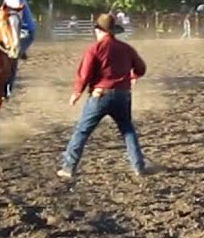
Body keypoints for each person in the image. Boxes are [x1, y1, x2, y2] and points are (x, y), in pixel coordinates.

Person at [57, 13, 152, 179]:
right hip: (123, 95)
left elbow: (84, 74)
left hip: (100, 95)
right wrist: (133, 76)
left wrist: (77, 93)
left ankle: (68, 167)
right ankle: (138, 166)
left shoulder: (94, 49)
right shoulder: (126, 48)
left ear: (98, 30)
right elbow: (141, 68)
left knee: (82, 131)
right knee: (127, 130)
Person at [0, 0, 36, 98]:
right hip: (11, 32)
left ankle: (8, 87)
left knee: (13, 56)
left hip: (25, 31)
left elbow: (16, 18)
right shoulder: (6, 1)